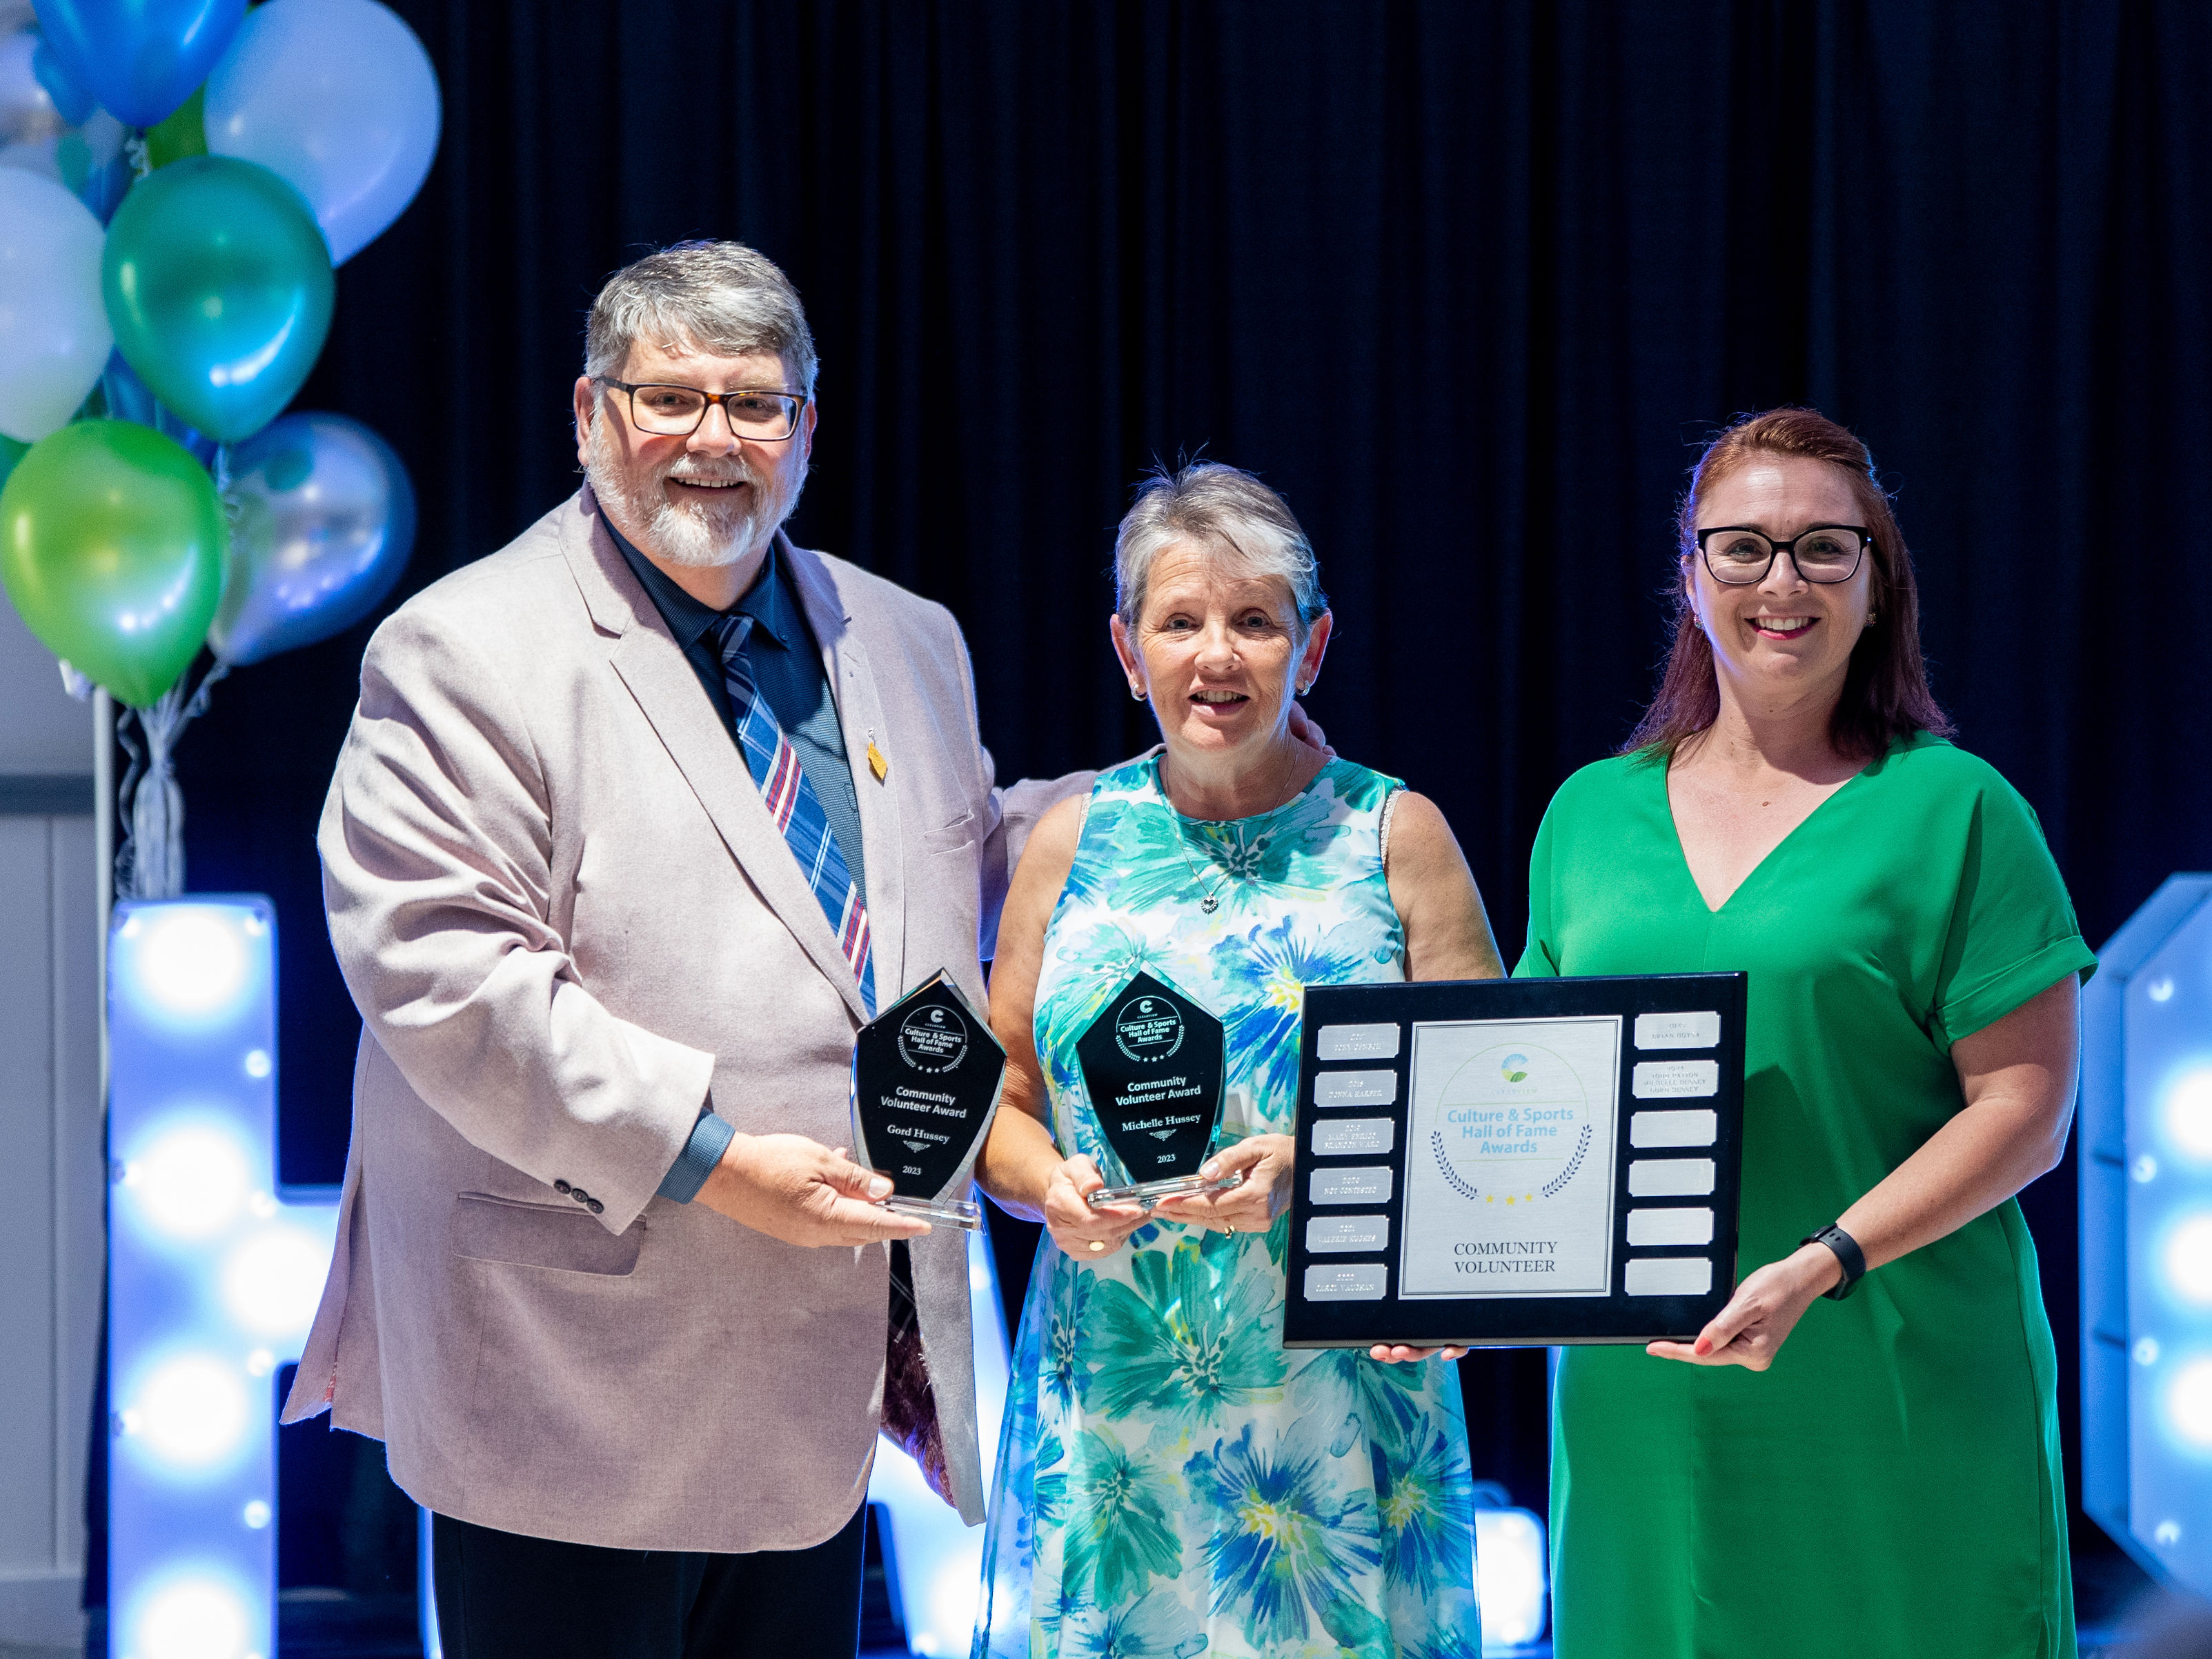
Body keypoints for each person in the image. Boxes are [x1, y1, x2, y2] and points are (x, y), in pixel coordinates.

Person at [282, 240, 1093, 1659]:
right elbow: (448, 978)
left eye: (756, 403)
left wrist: (1206, 794)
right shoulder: (464, 648)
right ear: (591, 413)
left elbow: (968, 863)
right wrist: (712, 1158)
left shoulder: (907, 638)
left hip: (814, 1380)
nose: (715, 440)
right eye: (671, 399)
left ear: (808, 429)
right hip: (569, 1379)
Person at [1522, 408, 2093, 1658]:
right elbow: (1532, 1100)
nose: (1781, 581)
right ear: (1690, 577)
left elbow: (2026, 1111)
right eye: (1743, 547)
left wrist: (1823, 1260)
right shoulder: (1588, 816)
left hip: (1892, 1385)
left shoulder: (1960, 809)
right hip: (1644, 1407)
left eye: (1825, 548)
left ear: (1877, 586)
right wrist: (1454, 1279)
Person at [971, 461, 1500, 1659]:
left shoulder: (1395, 833)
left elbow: (1487, 1112)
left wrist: (1315, 1165)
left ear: (1312, 649)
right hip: (1113, 1399)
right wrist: (1045, 1182)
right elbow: (1003, 1095)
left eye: (1256, 620)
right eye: (1181, 621)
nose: (1218, 655)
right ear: (1128, 650)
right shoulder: (1069, 841)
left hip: (1337, 1398)